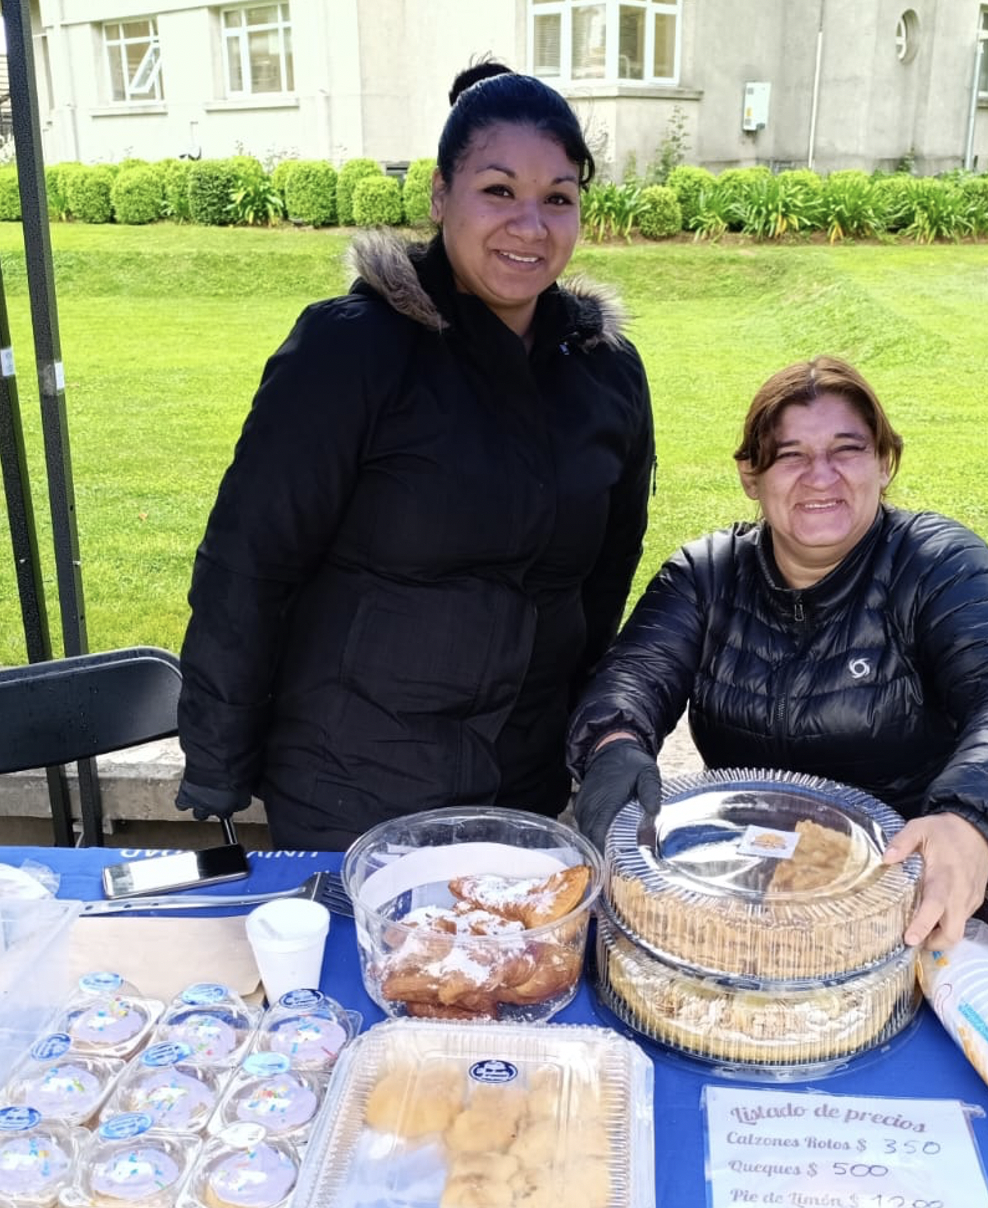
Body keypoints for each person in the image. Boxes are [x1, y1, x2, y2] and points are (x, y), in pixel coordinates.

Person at [175, 62, 656, 850]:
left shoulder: (605, 372)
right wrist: (217, 756)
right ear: (439, 195)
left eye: (558, 198)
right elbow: (249, 561)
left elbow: (605, 577)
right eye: (498, 190)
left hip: (521, 790)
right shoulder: (351, 350)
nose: (530, 226)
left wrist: (582, 731)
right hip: (352, 791)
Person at [567, 356, 988, 949]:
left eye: (846, 450)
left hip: (906, 899)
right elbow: (632, 676)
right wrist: (613, 742)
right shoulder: (706, 575)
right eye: (790, 455)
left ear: (884, 463)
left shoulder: (938, 565)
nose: (820, 476)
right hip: (742, 896)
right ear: (751, 476)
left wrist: (970, 820)